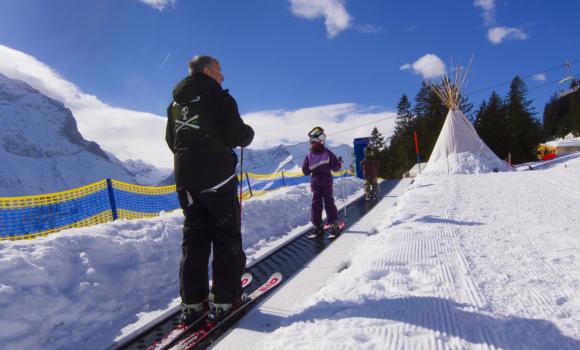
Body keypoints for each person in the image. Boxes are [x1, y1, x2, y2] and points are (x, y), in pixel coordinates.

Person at [165, 55, 254, 325]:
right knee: (226, 237)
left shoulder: (175, 104)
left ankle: (193, 302)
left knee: (194, 239)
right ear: (207, 71)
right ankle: (225, 300)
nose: (222, 76)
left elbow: (172, 140)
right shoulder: (220, 98)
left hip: (186, 181)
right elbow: (238, 135)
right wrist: (247, 133)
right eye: (219, 71)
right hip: (217, 179)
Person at [302, 127, 343, 236]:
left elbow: (305, 171)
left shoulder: (309, 156)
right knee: (329, 201)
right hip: (326, 180)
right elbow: (335, 167)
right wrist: (340, 163)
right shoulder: (327, 153)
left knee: (316, 203)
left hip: (315, 181)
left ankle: (317, 226)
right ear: (322, 141)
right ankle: (334, 225)